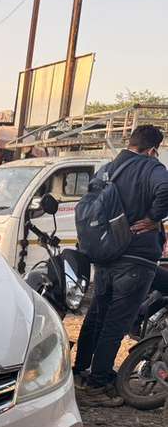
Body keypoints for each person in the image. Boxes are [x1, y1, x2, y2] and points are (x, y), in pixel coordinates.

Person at [74, 125, 168, 406]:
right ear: (153, 149)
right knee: (116, 324)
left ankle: (80, 373)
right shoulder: (151, 168)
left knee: (97, 316)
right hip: (135, 259)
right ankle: (98, 384)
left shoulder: (108, 169)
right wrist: (153, 219)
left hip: (105, 256)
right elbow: (166, 189)